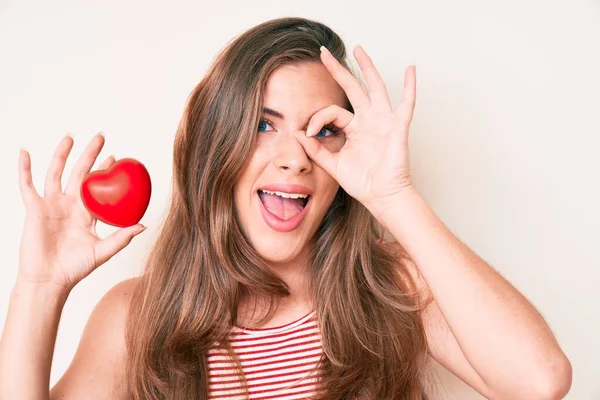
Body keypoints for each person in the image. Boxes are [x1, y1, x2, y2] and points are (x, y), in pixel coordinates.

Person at [0, 17, 572, 400]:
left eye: (320, 131)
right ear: (214, 142)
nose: (294, 159)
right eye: (262, 124)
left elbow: (539, 381)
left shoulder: (390, 286)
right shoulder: (138, 315)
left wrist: (394, 197)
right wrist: (39, 287)